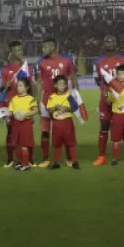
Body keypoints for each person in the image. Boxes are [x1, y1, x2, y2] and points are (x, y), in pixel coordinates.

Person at [36, 38, 76, 168]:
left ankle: (70, 159)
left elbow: (74, 79)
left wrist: (75, 99)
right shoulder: (41, 62)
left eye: (45, 47)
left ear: (52, 46)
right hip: (47, 101)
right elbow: (39, 82)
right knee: (45, 131)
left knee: (66, 130)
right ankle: (46, 159)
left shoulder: (67, 61)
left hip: (63, 100)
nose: (43, 50)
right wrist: (38, 101)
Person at [92, 35, 124, 166]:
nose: (110, 43)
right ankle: (102, 157)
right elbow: (97, 80)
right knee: (104, 127)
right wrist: (106, 93)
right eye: (107, 41)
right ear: (104, 44)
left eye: (112, 41)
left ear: (116, 43)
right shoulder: (98, 61)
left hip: (122, 100)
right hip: (105, 100)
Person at [0, 41, 28, 168]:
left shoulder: (27, 68)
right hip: (11, 105)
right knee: (11, 133)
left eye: (20, 50)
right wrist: (4, 85)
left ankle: (28, 159)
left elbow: (31, 86)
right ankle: (10, 158)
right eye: (16, 50)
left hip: (25, 105)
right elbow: (1, 89)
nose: (19, 52)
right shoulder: (6, 69)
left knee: (26, 133)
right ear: (11, 52)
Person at [45, 75, 80, 170]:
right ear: (55, 85)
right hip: (57, 124)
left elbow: (74, 108)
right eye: (59, 84)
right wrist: (55, 107)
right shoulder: (52, 97)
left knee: (70, 143)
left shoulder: (69, 96)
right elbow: (49, 110)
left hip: (67, 123)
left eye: (63, 84)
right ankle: (56, 163)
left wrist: (66, 108)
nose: (62, 86)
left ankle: (75, 161)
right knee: (57, 144)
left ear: (66, 85)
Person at [8, 77, 37, 171]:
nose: (18, 88)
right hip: (15, 123)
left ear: (27, 87)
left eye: (20, 86)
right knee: (15, 144)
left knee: (24, 144)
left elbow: (35, 110)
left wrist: (25, 114)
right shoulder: (14, 99)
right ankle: (21, 162)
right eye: (17, 86)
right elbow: (10, 111)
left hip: (26, 123)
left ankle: (26, 164)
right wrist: (8, 117)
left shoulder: (31, 99)